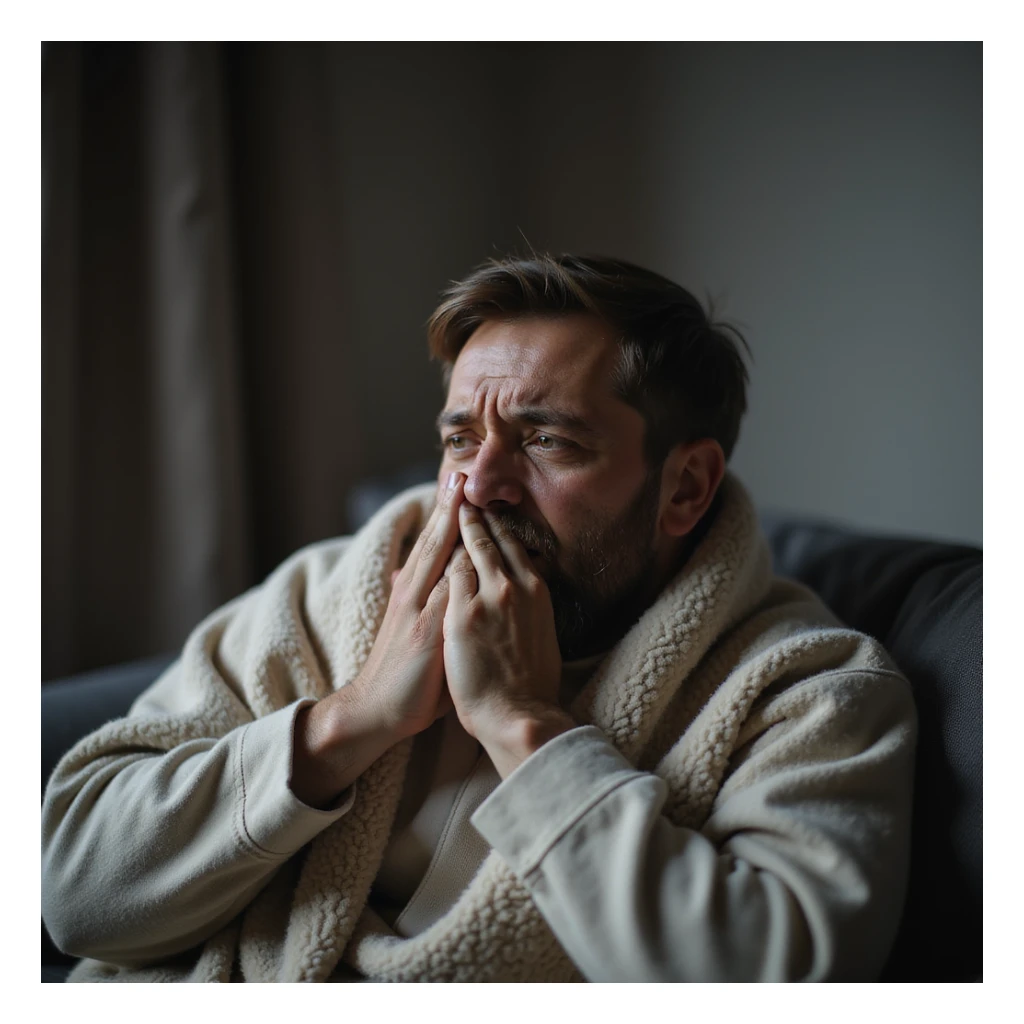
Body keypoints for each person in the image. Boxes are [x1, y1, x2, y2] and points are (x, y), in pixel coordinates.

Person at [41, 253, 916, 982]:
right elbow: (77, 894)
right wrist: (354, 718)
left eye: (546, 440)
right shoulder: (323, 594)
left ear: (685, 486)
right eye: (461, 438)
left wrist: (524, 725)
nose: (478, 487)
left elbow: (774, 977)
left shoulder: (808, 690)